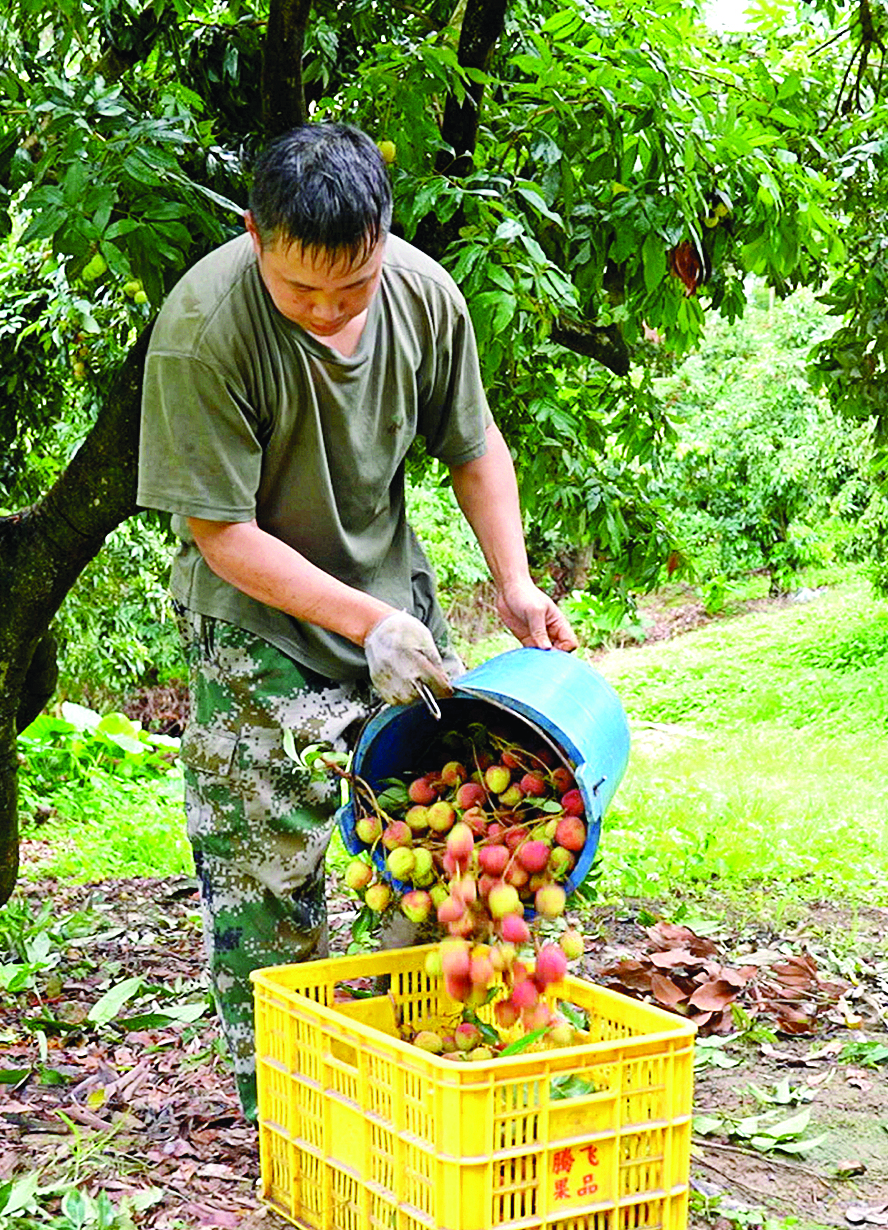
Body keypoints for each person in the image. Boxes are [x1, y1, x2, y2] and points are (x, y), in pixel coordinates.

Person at [136, 122, 579, 1117]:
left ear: (383, 238)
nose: (332, 310)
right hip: (256, 625)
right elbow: (221, 533)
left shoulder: (426, 296)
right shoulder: (205, 329)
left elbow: (474, 447)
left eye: (354, 285)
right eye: (304, 292)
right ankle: (293, 1110)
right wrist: (358, 623)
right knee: (266, 875)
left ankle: (444, 1065)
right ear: (257, 235)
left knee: (459, 831)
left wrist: (510, 583)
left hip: (396, 609)